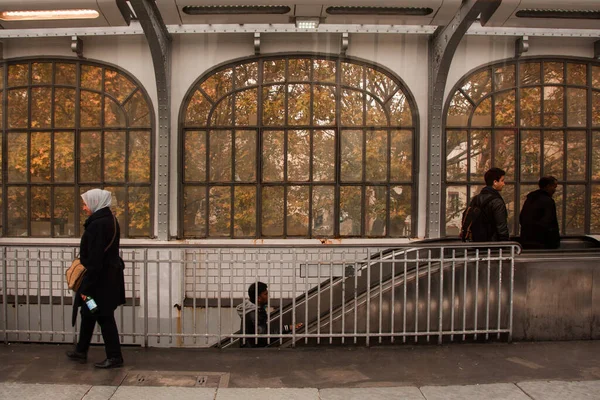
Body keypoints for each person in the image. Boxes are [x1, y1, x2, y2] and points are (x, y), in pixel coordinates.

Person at [66, 189, 125, 368]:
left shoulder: (98, 225)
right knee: (88, 312)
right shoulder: (109, 221)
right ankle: (81, 350)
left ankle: (115, 357)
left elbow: (95, 258)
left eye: (85, 204)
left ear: (95, 202)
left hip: (97, 284)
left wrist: (87, 287)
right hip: (103, 280)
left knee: (103, 316)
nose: (84, 208)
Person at [236, 282, 303, 347]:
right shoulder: (254, 314)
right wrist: (287, 328)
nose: (268, 296)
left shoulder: (254, 310)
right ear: (258, 298)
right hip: (252, 352)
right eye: (265, 294)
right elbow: (264, 336)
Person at [469, 167, 510, 242]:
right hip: (493, 244)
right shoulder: (497, 201)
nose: (504, 184)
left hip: (476, 242)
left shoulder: (476, 199)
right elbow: (501, 226)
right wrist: (505, 243)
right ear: (495, 182)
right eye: (502, 180)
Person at [519, 176, 560, 249]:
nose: (554, 190)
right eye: (554, 187)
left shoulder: (530, 199)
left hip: (527, 240)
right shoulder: (548, 201)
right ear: (548, 186)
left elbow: (522, 218)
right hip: (543, 242)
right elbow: (549, 222)